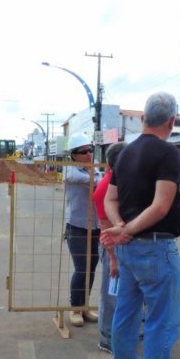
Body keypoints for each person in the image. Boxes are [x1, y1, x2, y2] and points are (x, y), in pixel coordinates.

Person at [102, 91, 180, 359]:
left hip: (129, 249)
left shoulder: (124, 153)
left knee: (126, 314)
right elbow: (160, 206)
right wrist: (125, 230)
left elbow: (109, 200)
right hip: (154, 247)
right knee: (161, 321)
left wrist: (120, 228)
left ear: (142, 119)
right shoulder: (167, 153)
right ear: (172, 121)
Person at [63, 133, 101, 327]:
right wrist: (95, 177)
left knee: (92, 267)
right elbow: (78, 178)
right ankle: (75, 308)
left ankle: (85, 306)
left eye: (90, 150)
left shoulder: (96, 170)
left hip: (96, 226)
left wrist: (96, 175)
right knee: (81, 268)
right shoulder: (70, 170)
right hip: (77, 227)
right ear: (74, 155)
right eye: (84, 151)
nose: (89, 154)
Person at [92, 142, 126, 353]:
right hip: (112, 248)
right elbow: (106, 226)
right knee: (111, 295)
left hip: (119, 247)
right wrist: (114, 259)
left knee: (120, 294)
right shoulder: (106, 187)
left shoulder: (117, 182)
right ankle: (107, 337)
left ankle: (118, 333)